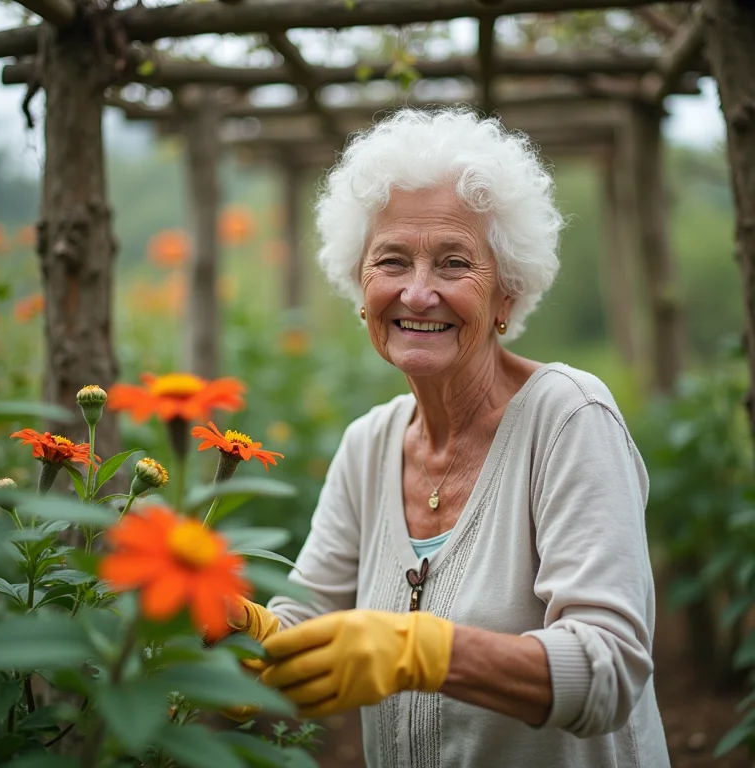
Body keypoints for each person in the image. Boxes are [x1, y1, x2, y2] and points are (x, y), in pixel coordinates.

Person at [228, 107, 671, 768]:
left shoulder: (569, 418)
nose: (417, 292)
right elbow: (308, 624)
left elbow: (606, 671)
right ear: (360, 287)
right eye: (392, 261)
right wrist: (236, 627)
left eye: (454, 263)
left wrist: (424, 651)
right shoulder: (368, 445)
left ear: (507, 296)